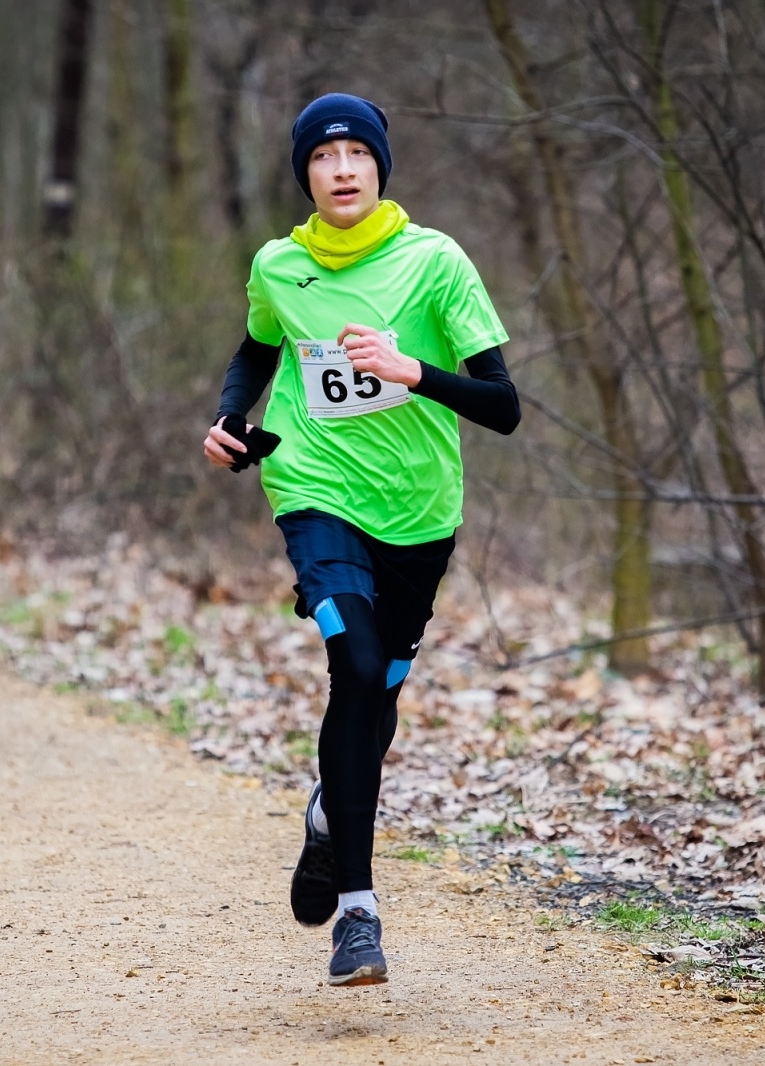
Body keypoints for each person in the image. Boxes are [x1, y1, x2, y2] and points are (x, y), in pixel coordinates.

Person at [203, 94, 520, 986]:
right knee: (354, 660)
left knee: (375, 695)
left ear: (380, 167)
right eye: (323, 155)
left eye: (357, 153)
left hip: (421, 515)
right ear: (304, 174)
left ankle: (327, 819)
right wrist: (232, 418)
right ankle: (359, 915)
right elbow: (257, 350)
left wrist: (413, 371)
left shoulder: (435, 263)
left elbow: (504, 407)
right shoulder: (280, 264)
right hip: (315, 489)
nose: (341, 168)